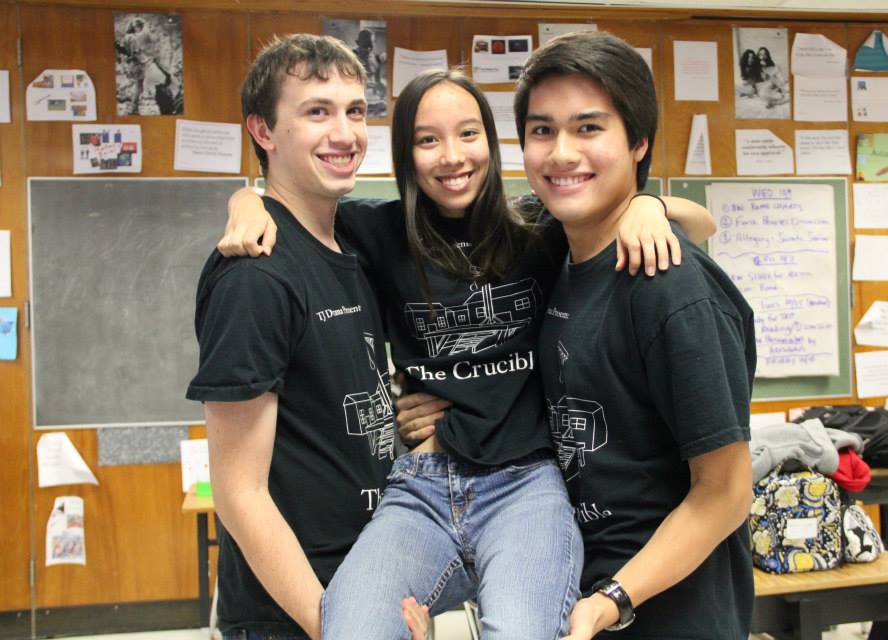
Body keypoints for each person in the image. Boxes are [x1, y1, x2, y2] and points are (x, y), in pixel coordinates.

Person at [220, 64, 717, 636]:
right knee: (350, 626)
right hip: (423, 482)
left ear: (492, 141)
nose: (451, 156)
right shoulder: (378, 232)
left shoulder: (539, 224)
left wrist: (647, 206)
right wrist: (247, 200)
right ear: (406, 155)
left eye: (468, 133)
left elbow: (702, 226)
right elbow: (294, 207)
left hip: (525, 482)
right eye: (427, 140)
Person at [403, 31, 754, 639]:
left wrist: (613, 599)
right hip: (566, 591)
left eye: (589, 128)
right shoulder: (549, 253)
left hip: (665, 612)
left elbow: (725, 494)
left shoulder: (671, 289)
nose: (561, 153)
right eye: (542, 131)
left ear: (638, 141)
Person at [186, 34, 394, 640]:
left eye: (355, 111)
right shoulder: (255, 276)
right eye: (316, 112)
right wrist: (335, 625)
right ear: (263, 131)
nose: (346, 133)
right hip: (298, 614)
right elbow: (240, 493)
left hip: (376, 582)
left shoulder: (351, 241)